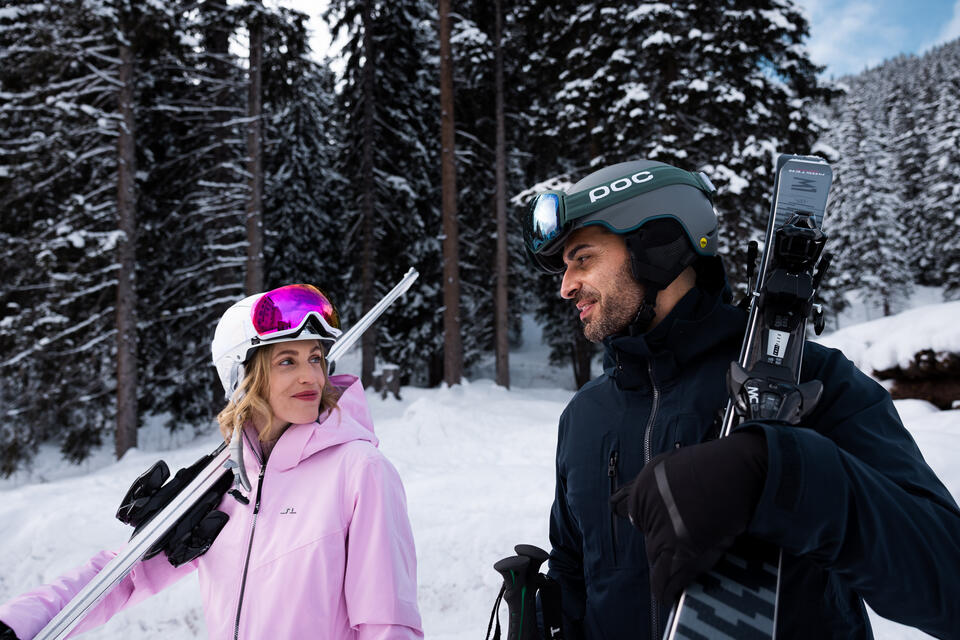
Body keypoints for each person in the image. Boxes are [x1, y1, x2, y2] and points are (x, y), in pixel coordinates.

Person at [522, 159, 960, 639]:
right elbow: (574, 564)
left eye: (582, 258)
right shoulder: (584, 416)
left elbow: (946, 582)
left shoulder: (812, 380)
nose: (566, 287)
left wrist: (785, 474)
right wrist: (550, 617)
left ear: (657, 246)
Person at [0, 284, 423, 639]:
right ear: (244, 377)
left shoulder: (360, 470)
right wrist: (17, 624)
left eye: (315, 357)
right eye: (286, 361)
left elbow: (388, 624)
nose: (310, 376)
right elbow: (121, 574)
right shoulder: (223, 484)